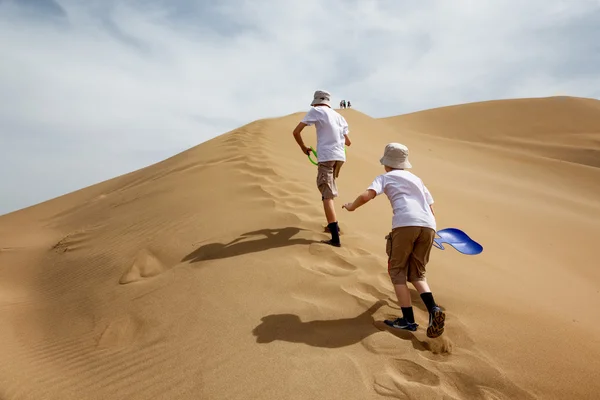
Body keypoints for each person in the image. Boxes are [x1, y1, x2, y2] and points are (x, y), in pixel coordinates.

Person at [341, 142, 445, 338]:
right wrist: (429, 229)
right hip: (428, 225)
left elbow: (366, 196)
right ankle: (433, 310)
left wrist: (351, 206)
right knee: (417, 274)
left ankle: (408, 321)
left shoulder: (385, 177)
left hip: (405, 224)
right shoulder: (417, 179)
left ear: (387, 164)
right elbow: (431, 207)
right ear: (405, 163)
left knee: (397, 271)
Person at [293, 90, 352, 247]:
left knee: (327, 195)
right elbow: (348, 142)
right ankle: (333, 226)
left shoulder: (316, 110)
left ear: (316, 101)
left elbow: (296, 131)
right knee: (329, 190)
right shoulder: (339, 116)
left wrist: (303, 147)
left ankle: (335, 237)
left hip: (326, 156)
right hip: (339, 158)